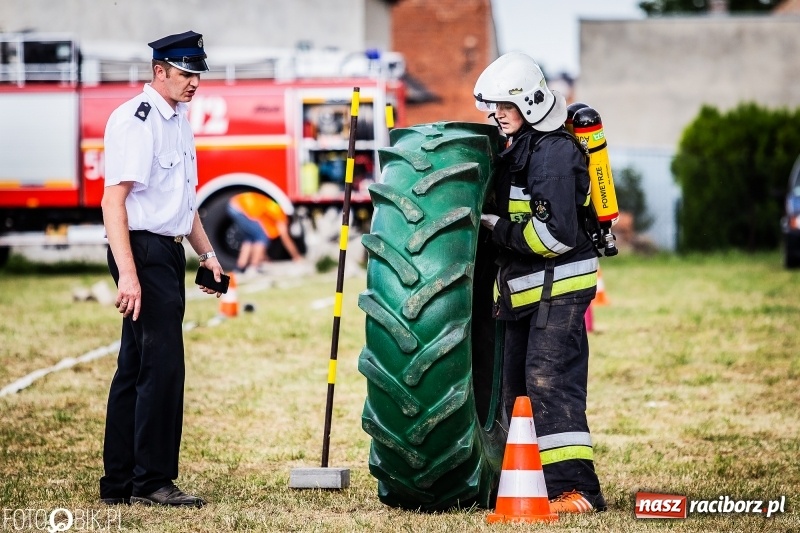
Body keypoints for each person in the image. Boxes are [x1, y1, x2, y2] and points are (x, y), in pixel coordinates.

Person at [473, 52, 606, 513]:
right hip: (526, 292)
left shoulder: (553, 152)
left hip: (559, 290)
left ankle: (577, 491)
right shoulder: (523, 148)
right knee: (516, 390)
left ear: (529, 104)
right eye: (492, 107)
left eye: (503, 107)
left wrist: (495, 228)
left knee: (550, 383)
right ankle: (526, 483)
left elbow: (554, 234)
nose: (495, 115)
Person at [99, 30, 224, 508]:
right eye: (186, 73)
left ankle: (120, 484)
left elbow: (183, 203)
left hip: (166, 251)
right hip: (141, 251)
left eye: (197, 74)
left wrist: (207, 255)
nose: (194, 82)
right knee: (163, 367)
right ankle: (151, 481)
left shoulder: (178, 119)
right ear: (160, 71)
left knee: (136, 366)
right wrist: (129, 275)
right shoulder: (138, 120)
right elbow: (116, 202)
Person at [227, 192, 304, 273]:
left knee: (250, 238)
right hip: (240, 208)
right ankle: (254, 267)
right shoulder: (280, 216)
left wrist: (265, 257)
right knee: (261, 236)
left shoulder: (273, 210)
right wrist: (296, 256)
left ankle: (240, 266)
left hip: (234, 205)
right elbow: (285, 238)